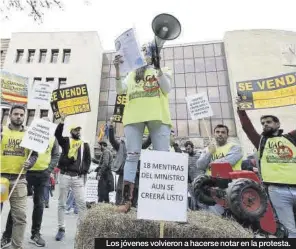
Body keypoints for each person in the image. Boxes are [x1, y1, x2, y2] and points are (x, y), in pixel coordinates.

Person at [113, 42, 173, 213]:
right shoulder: (131, 73)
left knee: (163, 157)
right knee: (132, 156)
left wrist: (158, 67)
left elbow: (167, 88)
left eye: (149, 52)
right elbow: (119, 90)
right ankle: (126, 201)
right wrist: (117, 68)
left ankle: (162, 201)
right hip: (134, 117)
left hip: (158, 117)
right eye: (144, 51)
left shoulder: (164, 70)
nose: (146, 54)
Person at [236, 100, 296, 238]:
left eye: (268, 122)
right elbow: (247, 127)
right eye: (263, 123)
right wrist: (241, 109)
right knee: (290, 231)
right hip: (277, 191)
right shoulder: (261, 141)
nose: (265, 125)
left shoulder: (291, 138)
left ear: (277, 124)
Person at [1, 117, 59, 247]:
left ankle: (35, 234)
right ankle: (7, 235)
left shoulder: (53, 138)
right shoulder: (29, 135)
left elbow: (56, 155)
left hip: (42, 175)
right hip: (25, 173)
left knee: (39, 204)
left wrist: (49, 169)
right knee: (17, 208)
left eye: (47, 124)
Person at [0, 105, 38, 249]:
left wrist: (31, 163)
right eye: (16, 114)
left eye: (22, 115)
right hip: (1, 179)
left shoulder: (30, 134)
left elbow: (34, 154)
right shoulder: (2, 130)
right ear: (10, 115)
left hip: (19, 179)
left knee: (20, 217)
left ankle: (17, 246)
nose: (19, 117)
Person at [54, 114, 91, 241]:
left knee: (81, 204)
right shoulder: (66, 141)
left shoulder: (84, 144)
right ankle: (61, 228)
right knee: (62, 204)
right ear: (71, 131)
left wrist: (83, 171)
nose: (78, 132)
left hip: (77, 177)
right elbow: (57, 135)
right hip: (65, 175)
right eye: (76, 130)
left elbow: (87, 160)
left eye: (79, 130)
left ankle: (82, 230)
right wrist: (62, 122)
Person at [196, 124, 243, 215]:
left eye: (223, 132)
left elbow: (230, 161)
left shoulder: (235, 147)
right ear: (214, 134)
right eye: (217, 132)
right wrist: (209, 153)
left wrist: (212, 163)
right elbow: (200, 165)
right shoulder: (208, 149)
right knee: (212, 214)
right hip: (210, 186)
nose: (220, 134)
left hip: (230, 186)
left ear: (227, 135)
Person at [108, 118, 151, 205]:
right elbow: (112, 140)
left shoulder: (139, 146)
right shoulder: (121, 145)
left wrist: (150, 126)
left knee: (135, 192)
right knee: (120, 192)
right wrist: (111, 126)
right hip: (123, 174)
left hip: (136, 174)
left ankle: (133, 209)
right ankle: (120, 209)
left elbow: (148, 141)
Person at [184, 140, 201, 210]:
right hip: (191, 181)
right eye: (186, 149)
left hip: (199, 180)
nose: (188, 150)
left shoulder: (199, 156)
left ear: (192, 147)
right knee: (193, 196)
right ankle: (195, 209)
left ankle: (201, 209)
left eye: (189, 149)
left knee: (199, 196)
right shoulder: (185, 157)